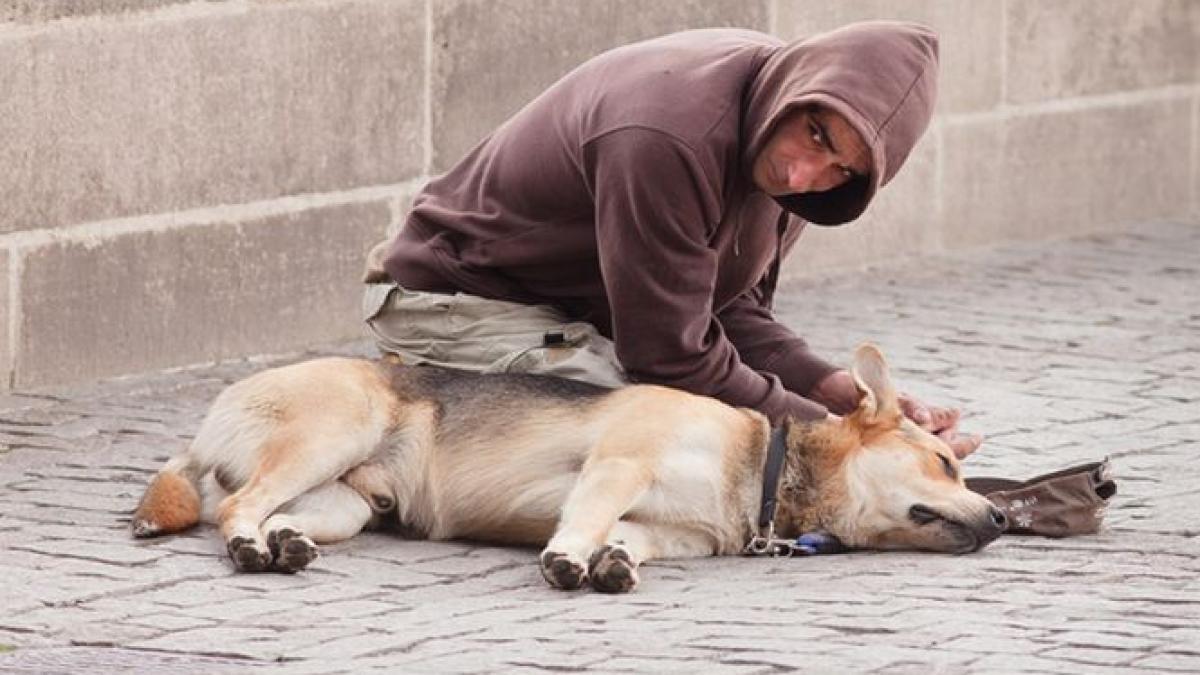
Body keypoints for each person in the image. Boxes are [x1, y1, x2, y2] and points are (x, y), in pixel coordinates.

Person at [362, 21, 982, 458]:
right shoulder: (666, 136)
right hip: (455, 299)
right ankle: (402, 441)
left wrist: (837, 393)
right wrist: (841, 439)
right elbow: (671, 357)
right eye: (816, 135)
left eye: (841, 170)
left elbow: (724, 310)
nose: (802, 176)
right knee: (668, 432)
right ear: (800, 89)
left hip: (580, 318)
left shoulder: (782, 143)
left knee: (706, 425)